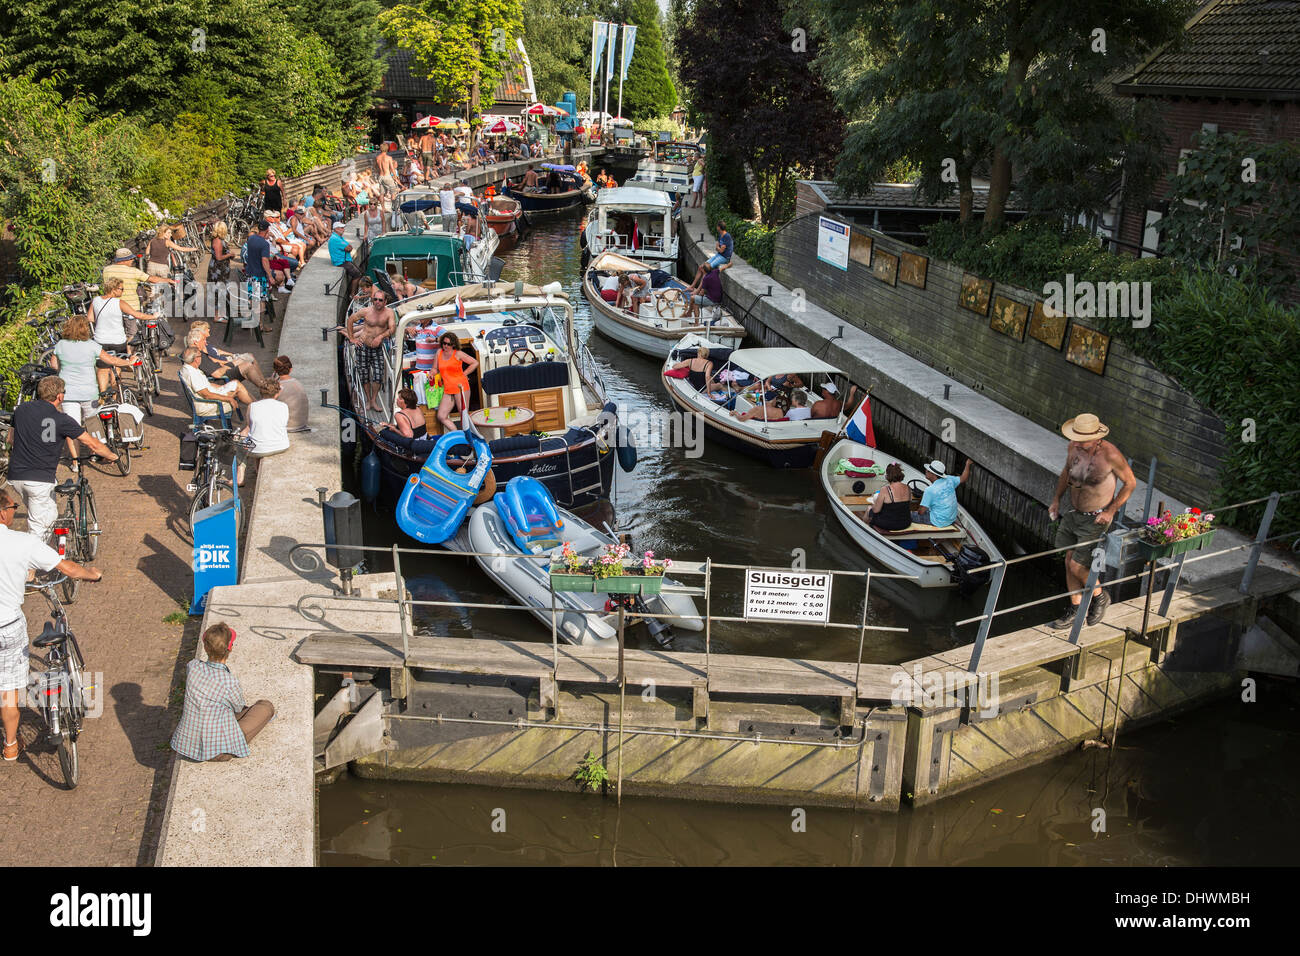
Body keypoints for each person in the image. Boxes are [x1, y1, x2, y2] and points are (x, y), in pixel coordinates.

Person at [0, 486, 104, 762]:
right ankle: (11, 745)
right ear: (2, 513)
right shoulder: (21, 543)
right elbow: (67, 568)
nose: (14, 512)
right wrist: (91, 574)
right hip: (7, 624)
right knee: (8, 690)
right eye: (12, 508)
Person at [1047, 413, 1135, 630]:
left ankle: (1100, 595)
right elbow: (1067, 473)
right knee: (1068, 561)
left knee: (1078, 565)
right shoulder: (1073, 447)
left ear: (1097, 438)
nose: (1077, 442)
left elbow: (1130, 483)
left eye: (1082, 438)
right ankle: (1076, 608)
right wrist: (1056, 499)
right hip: (1074, 513)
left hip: (1096, 517)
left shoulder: (1111, 455)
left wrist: (1111, 510)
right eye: (1075, 437)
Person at [7, 376, 118, 543]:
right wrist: (112, 456)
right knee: (39, 528)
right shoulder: (62, 419)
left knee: (48, 514)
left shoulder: (21, 410)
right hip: (39, 480)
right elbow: (92, 444)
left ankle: (42, 554)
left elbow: (11, 439)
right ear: (59, 396)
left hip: (15, 477)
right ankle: (29, 567)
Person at [170, 621, 275, 762]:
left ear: (206, 647)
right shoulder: (229, 682)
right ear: (230, 648)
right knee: (266, 707)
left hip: (188, 746)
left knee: (230, 708)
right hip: (219, 751)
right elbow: (238, 708)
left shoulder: (192, 667)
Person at [49, 315, 133, 448]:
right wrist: (129, 361)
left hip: (68, 393)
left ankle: (76, 464)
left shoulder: (60, 345)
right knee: (94, 426)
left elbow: (54, 365)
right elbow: (112, 360)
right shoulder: (92, 345)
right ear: (85, 329)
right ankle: (96, 452)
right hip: (89, 393)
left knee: (72, 429)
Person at [90, 277, 150, 395]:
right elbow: (136, 314)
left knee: (102, 369)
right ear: (113, 289)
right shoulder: (119, 303)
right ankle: (116, 393)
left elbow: (90, 318)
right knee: (116, 366)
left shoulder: (95, 300)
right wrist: (153, 316)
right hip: (117, 340)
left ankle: (103, 395)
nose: (122, 292)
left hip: (100, 340)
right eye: (121, 289)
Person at [345, 289, 397, 413]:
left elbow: (392, 328)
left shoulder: (389, 313)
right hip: (363, 345)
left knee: (378, 375)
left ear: (385, 302)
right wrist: (352, 338)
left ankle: (373, 400)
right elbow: (351, 320)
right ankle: (368, 399)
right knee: (364, 374)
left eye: (380, 300)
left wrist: (380, 337)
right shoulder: (366, 311)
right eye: (375, 299)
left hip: (377, 347)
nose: (377, 302)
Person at [235, 380, 290, 484]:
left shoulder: (252, 406)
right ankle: (256, 470)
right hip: (281, 445)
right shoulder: (284, 406)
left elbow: (250, 428)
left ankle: (240, 477)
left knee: (241, 443)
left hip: (258, 449)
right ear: (277, 393)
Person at [187, 322, 266, 389]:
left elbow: (213, 360)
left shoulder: (196, 352)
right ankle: (264, 387)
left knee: (249, 361)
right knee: (248, 364)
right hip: (221, 376)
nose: (205, 342)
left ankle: (263, 383)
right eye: (203, 340)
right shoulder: (199, 355)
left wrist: (230, 356)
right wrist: (228, 363)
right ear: (195, 342)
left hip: (221, 368)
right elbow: (216, 373)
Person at [180, 347, 252, 419]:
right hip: (208, 405)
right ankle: (257, 407)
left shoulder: (188, 368)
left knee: (235, 383)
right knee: (238, 387)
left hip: (210, 394)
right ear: (196, 359)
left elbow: (206, 385)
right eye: (200, 356)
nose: (201, 358)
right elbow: (207, 395)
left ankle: (256, 405)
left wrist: (222, 387)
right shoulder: (193, 374)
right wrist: (229, 399)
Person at [103, 247, 174, 317]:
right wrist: (168, 280)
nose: (132, 260)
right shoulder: (133, 271)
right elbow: (152, 279)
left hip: (111, 306)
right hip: (131, 307)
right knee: (133, 327)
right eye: (131, 259)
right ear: (124, 260)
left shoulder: (106, 270)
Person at [432, 331, 477, 433]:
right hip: (448, 389)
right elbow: (434, 369)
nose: (446, 346)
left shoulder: (458, 353)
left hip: (461, 387)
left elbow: (475, 363)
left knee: (463, 415)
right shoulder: (439, 352)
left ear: (453, 344)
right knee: (441, 416)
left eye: (449, 344)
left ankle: (470, 437)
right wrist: (431, 374)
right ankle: (457, 434)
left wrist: (464, 374)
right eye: (444, 343)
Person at [913, 459, 972, 529]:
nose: (926, 471)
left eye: (928, 470)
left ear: (933, 474)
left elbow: (921, 512)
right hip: (951, 519)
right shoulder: (950, 480)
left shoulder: (930, 490)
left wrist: (917, 508)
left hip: (938, 521)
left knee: (908, 515)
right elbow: (963, 478)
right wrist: (968, 464)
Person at [686, 221, 734, 293]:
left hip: (724, 258)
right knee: (701, 267)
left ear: (719, 227)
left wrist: (718, 248)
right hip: (719, 255)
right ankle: (692, 286)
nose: (716, 227)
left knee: (705, 270)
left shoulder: (727, 236)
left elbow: (721, 250)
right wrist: (718, 248)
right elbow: (718, 248)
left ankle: (698, 290)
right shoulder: (720, 235)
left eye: (717, 226)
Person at [206, 222, 237, 323]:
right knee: (218, 291)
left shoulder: (219, 240)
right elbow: (219, 257)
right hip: (218, 270)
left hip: (221, 270)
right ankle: (217, 316)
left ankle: (221, 314)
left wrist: (229, 255)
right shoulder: (218, 241)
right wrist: (229, 255)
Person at [868, 464, 914, 531]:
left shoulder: (885, 489)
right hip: (905, 523)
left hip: (889, 524)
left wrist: (873, 505)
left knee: (869, 509)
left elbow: (876, 510)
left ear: (887, 476)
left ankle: (866, 530)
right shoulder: (907, 488)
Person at [270, 355, 310, 432]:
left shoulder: (278, 387)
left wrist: (271, 381)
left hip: (287, 426)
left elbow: (267, 404)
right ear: (290, 369)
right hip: (302, 424)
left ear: (275, 370)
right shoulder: (298, 383)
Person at [328, 222, 363, 298]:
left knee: (360, 271)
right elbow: (349, 248)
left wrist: (348, 247)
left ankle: (356, 291)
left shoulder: (338, 237)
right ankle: (352, 294)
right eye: (341, 228)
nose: (343, 229)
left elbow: (349, 247)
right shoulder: (335, 239)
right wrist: (348, 248)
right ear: (336, 229)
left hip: (345, 260)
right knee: (357, 274)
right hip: (341, 262)